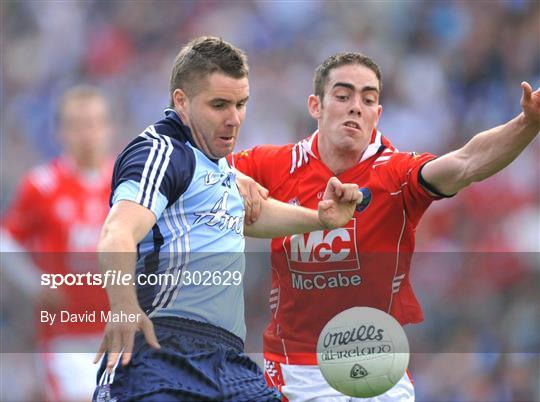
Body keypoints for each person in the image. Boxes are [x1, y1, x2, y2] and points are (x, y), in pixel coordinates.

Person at [230, 52, 540, 401]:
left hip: (378, 366)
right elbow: (190, 165)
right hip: (297, 369)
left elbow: (465, 163)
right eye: (343, 96)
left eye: (368, 99)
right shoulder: (273, 165)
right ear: (316, 105)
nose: (355, 107)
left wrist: (527, 123)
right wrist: (233, 177)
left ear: (377, 115)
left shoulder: (396, 173)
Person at [92, 36, 361, 402]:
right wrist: (123, 306)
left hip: (228, 360)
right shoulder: (162, 152)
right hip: (163, 350)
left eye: (241, 104)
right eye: (219, 105)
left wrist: (320, 219)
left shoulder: (216, 163)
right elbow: (117, 232)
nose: (234, 119)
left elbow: (249, 215)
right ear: (181, 102)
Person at [1, 85, 113, 401]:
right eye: (76, 125)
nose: (86, 133)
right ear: (61, 132)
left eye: (93, 123)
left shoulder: (128, 185)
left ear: (107, 128)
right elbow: (6, 240)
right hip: (66, 339)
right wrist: (35, 285)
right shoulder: (42, 186)